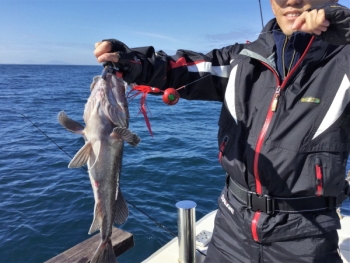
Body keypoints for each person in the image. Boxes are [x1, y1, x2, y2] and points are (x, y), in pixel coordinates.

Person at [94, 0, 350, 262]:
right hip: (231, 227)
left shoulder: (344, 62)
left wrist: (343, 24)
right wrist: (127, 60)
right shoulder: (242, 59)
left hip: (307, 236)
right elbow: (177, 70)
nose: (289, 0)